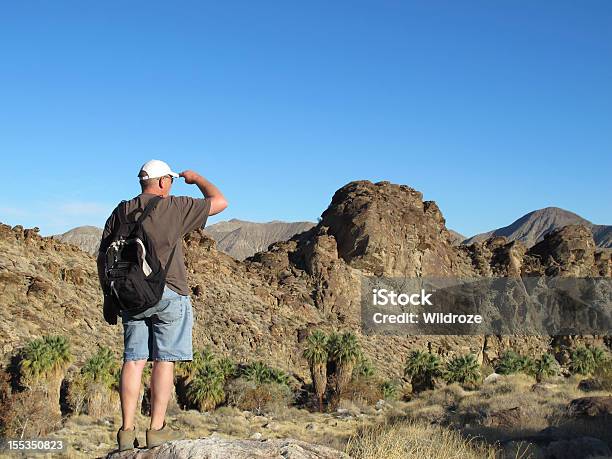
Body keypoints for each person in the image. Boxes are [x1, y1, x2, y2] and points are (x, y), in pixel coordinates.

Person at [96, 159, 228, 451]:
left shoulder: (121, 210)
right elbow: (220, 201)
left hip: (130, 296)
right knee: (163, 360)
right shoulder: (175, 207)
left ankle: (126, 433)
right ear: (162, 182)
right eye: (169, 180)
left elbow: (103, 255)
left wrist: (109, 295)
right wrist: (195, 178)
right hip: (170, 293)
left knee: (133, 360)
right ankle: (156, 431)